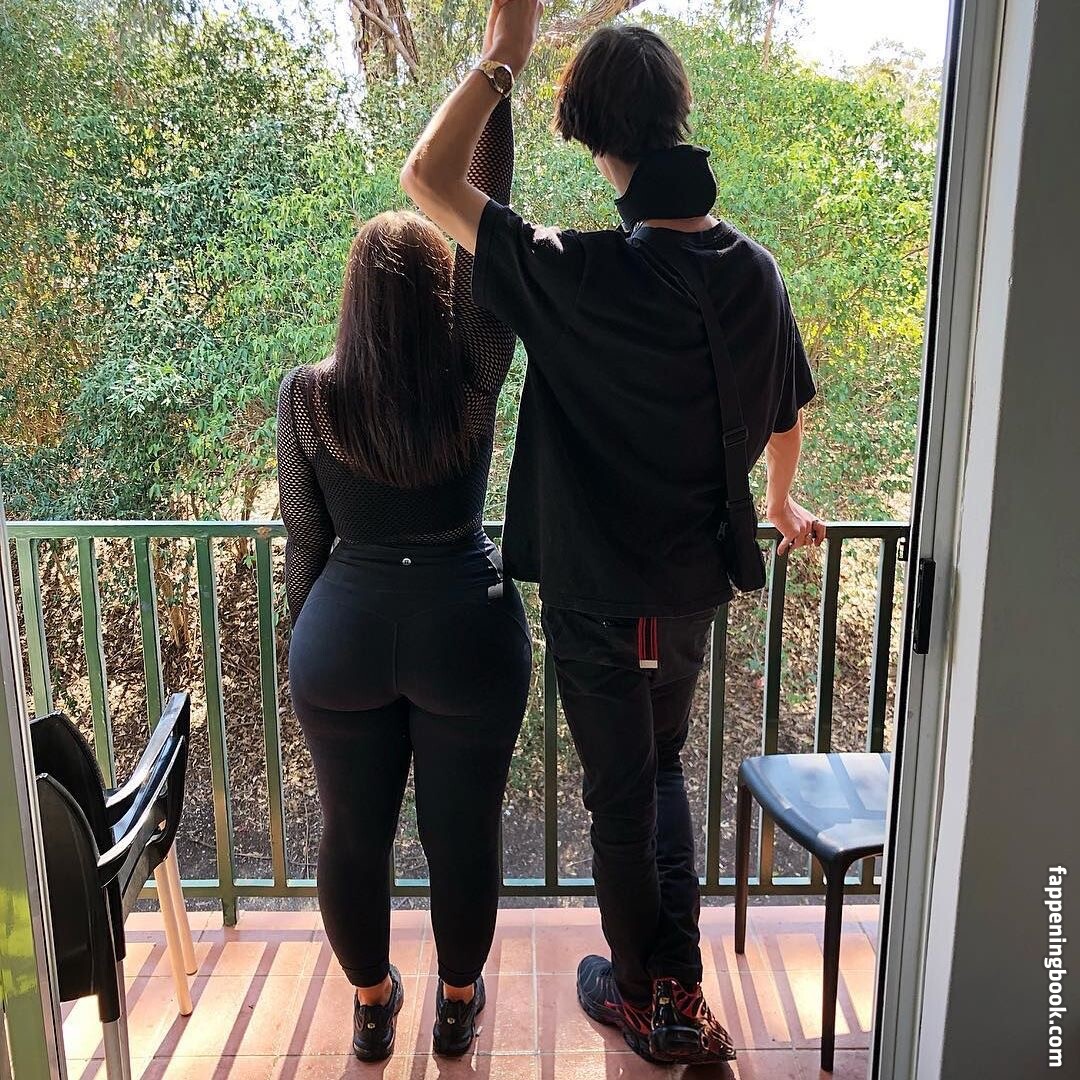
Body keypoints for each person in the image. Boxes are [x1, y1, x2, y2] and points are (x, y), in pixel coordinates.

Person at [402, 1, 825, 1067]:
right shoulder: (756, 272)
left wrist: (503, 58)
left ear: (592, 134)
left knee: (623, 796)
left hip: (605, 598)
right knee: (663, 771)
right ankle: (676, 985)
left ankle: (647, 996)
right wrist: (781, 502)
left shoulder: (578, 273)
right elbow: (787, 410)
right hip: (690, 590)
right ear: (679, 117)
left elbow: (427, 179)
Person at [277, 5, 531, 1061]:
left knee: (352, 835)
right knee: (462, 836)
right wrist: (498, 73)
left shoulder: (308, 395)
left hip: (342, 631)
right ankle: (458, 1003)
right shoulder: (473, 369)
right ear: (440, 294)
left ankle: (373, 1002)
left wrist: (306, 645)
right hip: (464, 629)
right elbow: (489, 216)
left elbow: (304, 543)